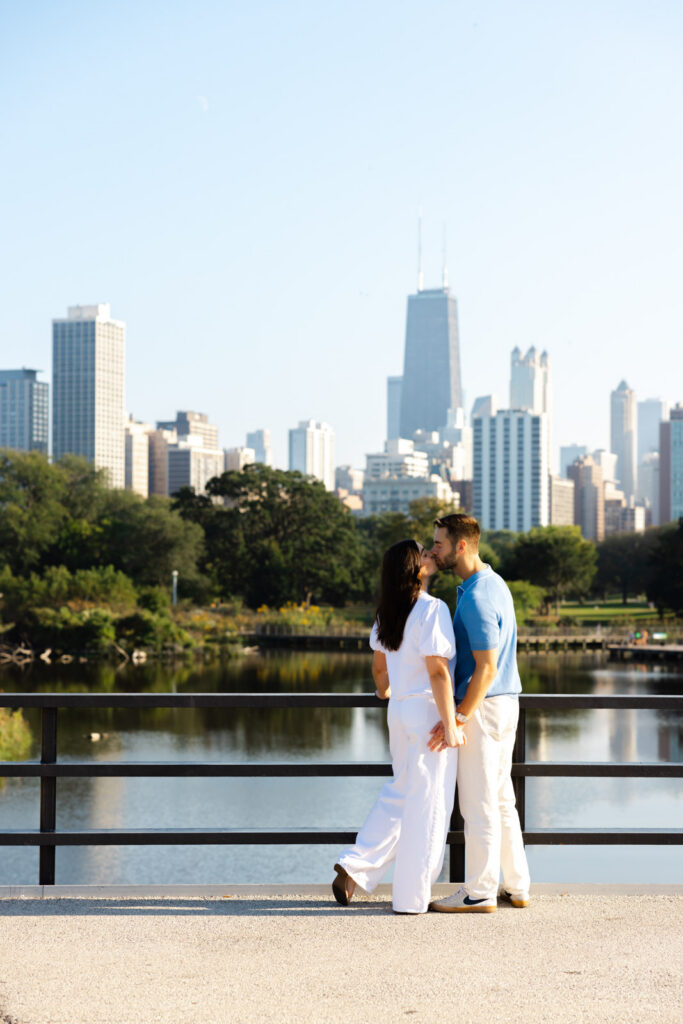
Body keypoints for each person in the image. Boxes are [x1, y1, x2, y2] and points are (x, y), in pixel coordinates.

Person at [332, 539, 466, 915]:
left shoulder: (386, 613)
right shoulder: (432, 609)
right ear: (416, 569)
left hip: (400, 713)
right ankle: (410, 898)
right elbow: (438, 670)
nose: (430, 556)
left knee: (402, 792)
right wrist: (450, 724)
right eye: (424, 553)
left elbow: (379, 668)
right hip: (427, 712)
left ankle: (356, 865)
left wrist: (386, 690)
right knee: (430, 803)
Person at [428, 513, 531, 913]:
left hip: (485, 708)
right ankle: (518, 885)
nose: (434, 549)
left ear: (461, 546)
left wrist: (459, 716)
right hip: (505, 704)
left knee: (477, 803)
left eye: (439, 543)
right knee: (502, 797)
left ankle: (480, 892)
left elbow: (485, 667)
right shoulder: (491, 584)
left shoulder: (477, 596)